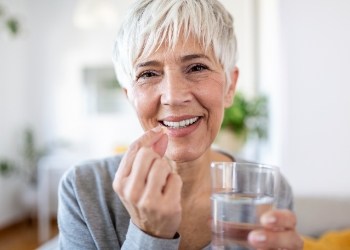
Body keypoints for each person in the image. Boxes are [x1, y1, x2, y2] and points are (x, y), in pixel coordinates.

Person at [58, 0, 304, 249]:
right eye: (148, 74)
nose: (173, 96)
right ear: (129, 96)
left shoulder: (267, 188)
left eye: (197, 67)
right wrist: (149, 234)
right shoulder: (83, 189)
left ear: (230, 86)